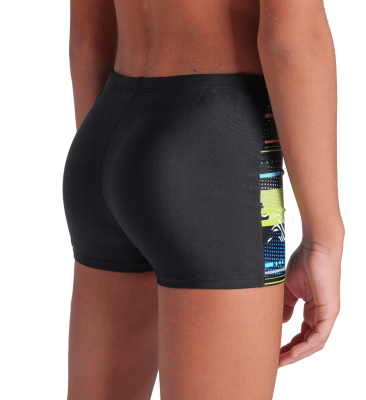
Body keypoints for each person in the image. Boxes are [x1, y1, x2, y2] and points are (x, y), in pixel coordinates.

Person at [63, 0, 344, 398]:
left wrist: (123, 181)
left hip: (104, 134)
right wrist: (323, 239)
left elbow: (88, 38)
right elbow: (292, 40)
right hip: (218, 149)